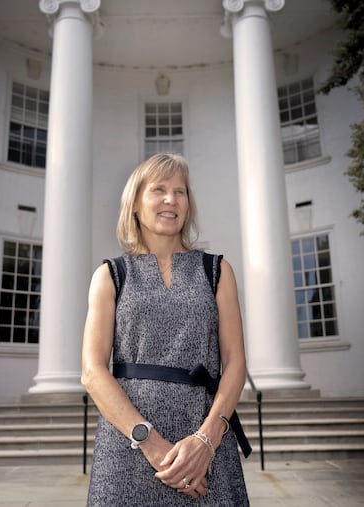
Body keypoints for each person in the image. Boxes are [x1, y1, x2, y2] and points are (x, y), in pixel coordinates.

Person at [81, 153, 251, 506]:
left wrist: (206, 442)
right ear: (135, 205)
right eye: (159, 190)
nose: (172, 200)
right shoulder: (110, 276)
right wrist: (151, 444)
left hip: (206, 442)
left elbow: (235, 362)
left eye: (180, 191)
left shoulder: (217, 271)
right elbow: (92, 372)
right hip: (128, 445)